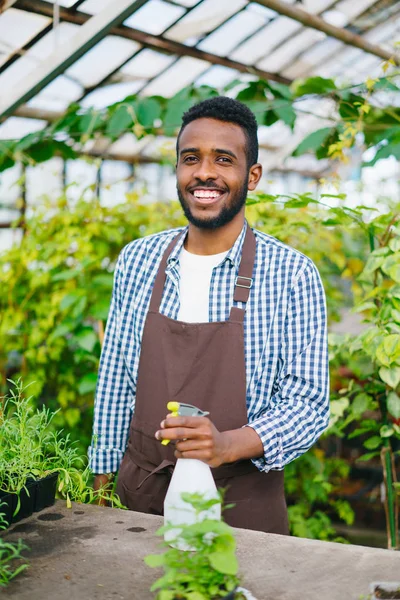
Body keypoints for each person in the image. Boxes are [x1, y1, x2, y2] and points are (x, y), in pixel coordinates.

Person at [89, 96, 329, 534]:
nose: (204, 173)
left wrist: (225, 445)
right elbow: (115, 384)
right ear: (177, 170)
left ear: (252, 176)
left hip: (240, 507)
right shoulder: (138, 260)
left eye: (224, 159)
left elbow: (307, 404)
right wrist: (101, 489)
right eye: (190, 158)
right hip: (141, 502)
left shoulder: (292, 274)